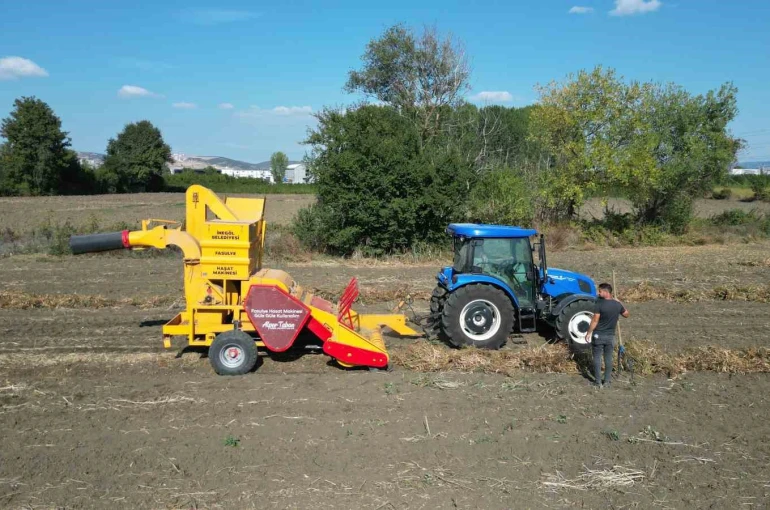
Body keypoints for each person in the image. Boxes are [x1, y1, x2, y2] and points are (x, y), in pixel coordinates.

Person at [585, 283, 629, 388]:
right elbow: (626, 314)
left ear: (605, 292)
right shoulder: (617, 305)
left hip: (598, 335)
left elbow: (595, 320)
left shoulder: (599, 304)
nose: (598, 293)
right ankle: (607, 382)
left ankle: (598, 382)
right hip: (610, 336)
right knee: (608, 358)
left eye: (599, 291)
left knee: (597, 358)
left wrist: (588, 332)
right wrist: (620, 303)